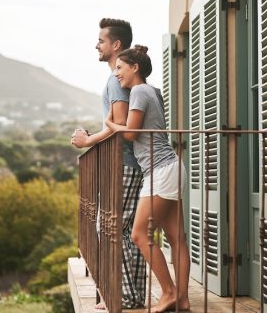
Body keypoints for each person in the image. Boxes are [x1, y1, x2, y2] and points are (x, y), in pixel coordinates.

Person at [104, 45, 190, 313]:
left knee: (139, 234)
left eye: (120, 68)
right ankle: (182, 300)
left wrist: (110, 124)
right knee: (177, 237)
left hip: (161, 170)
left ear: (135, 68)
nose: (116, 73)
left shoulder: (139, 91)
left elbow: (130, 134)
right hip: (172, 167)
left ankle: (168, 292)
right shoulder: (153, 91)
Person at [70, 18, 146, 310]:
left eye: (101, 40)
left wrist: (89, 141)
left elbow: (123, 125)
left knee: (114, 229)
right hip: (126, 163)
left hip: (125, 163)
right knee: (123, 230)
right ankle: (132, 294)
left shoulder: (115, 82)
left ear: (116, 45)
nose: (96, 45)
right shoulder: (116, 79)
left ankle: (127, 295)